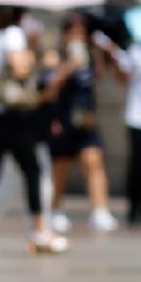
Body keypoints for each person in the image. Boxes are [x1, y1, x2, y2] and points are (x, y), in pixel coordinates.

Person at [0, 6, 68, 255]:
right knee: (32, 169)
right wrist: (36, 54)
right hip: (8, 112)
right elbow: (20, 69)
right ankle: (40, 230)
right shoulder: (13, 34)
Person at [41, 13, 118, 233]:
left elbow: (100, 78)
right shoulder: (55, 56)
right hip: (62, 120)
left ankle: (100, 210)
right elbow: (48, 88)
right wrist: (69, 66)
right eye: (73, 32)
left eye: (81, 33)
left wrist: (101, 55)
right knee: (61, 168)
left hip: (85, 119)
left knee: (93, 161)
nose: (77, 37)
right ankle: (55, 209)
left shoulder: (90, 56)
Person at [104, 8, 141, 225]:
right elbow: (124, 77)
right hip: (140, 119)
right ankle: (139, 209)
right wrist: (112, 57)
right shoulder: (138, 50)